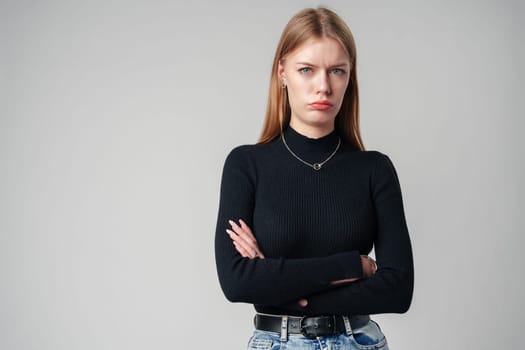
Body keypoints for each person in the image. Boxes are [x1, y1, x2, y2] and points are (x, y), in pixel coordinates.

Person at [214, 7, 414, 350]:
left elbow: (398, 290)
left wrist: (282, 288)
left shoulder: (374, 169)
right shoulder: (246, 165)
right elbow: (236, 283)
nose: (323, 86)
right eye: (306, 69)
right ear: (282, 73)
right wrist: (352, 265)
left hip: (359, 342)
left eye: (337, 70)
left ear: (349, 77)